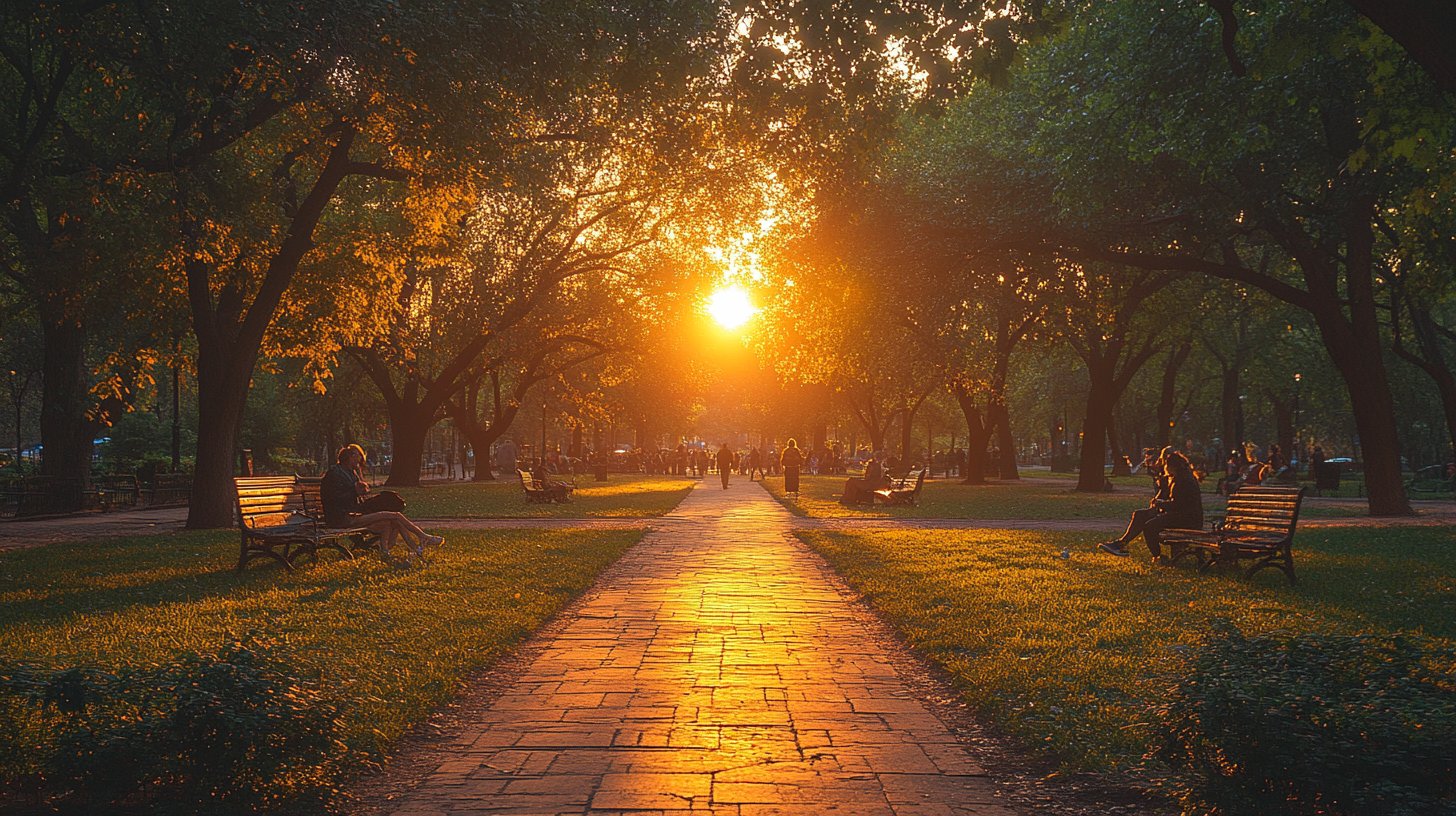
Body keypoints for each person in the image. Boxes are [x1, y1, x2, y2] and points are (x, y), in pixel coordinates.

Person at [321, 445, 442, 561]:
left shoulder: (349, 472)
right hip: (342, 518)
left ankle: (400, 551)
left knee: (391, 523)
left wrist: (363, 492)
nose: (360, 460)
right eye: (357, 456)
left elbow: (354, 495)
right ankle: (423, 537)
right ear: (350, 457)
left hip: (354, 513)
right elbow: (334, 499)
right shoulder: (335, 474)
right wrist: (355, 491)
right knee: (395, 515)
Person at [1099, 448, 1202, 560]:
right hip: (1178, 515)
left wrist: (1161, 504)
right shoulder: (1177, 477)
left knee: (1150, 526)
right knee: (1139, 515)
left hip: (1187, 519)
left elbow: (1179, 504)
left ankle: (1157, 556)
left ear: (1172, 466)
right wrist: (1159, 502)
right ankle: (1120, 544)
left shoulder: (1183, 480)